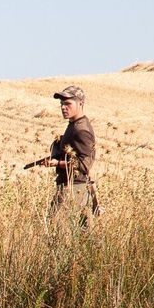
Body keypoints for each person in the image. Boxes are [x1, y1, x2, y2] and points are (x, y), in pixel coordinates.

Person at [31, 85, 98, 225]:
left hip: (73, 188)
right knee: (85, 237)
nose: (63, 107)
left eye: (67, 103)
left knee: (55, 230)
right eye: (61, 104)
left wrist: (57, 163)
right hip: (77, 187)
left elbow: (84, 165)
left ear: (80, 103)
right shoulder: (74, 125)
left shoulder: (81, 130)